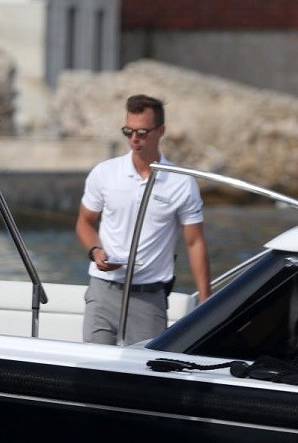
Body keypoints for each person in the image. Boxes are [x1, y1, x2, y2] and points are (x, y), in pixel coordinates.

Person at [75, 94, 211, 346]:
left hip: (149, 297)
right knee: (94, 373)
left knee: (141, 375)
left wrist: (206, 301)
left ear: (161, 131)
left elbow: (195, 243)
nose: (134, 139)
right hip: (102, 290)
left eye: (142, 132)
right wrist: (95, 251)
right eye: (128, 131)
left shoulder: (182, 182)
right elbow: (84, 222)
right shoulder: (104, 173)